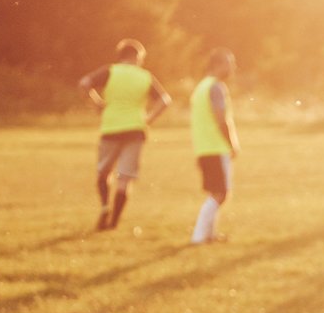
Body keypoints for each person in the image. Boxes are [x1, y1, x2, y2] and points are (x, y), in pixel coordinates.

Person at [78, 38, 171, 232]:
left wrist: (96, 102)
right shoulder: (145, 76)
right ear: (137, 57)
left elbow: (84, 83)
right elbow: (164, 100)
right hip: (135, 129)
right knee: (125, 177)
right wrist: (149, 119)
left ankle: (105, 207)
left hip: (110, 127)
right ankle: (114, 221)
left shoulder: (110, 71)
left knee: (104, 172)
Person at [189, 48, 239, 244]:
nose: (233, 68)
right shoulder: (216, 87)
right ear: (217, 65)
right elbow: (221, 119)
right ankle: (199, 236)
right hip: (215, 147)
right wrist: (232, 143)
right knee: (221, 193)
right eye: (229, 63)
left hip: (203, 147)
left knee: (215, 192)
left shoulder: (201, 87)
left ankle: (209, 235)